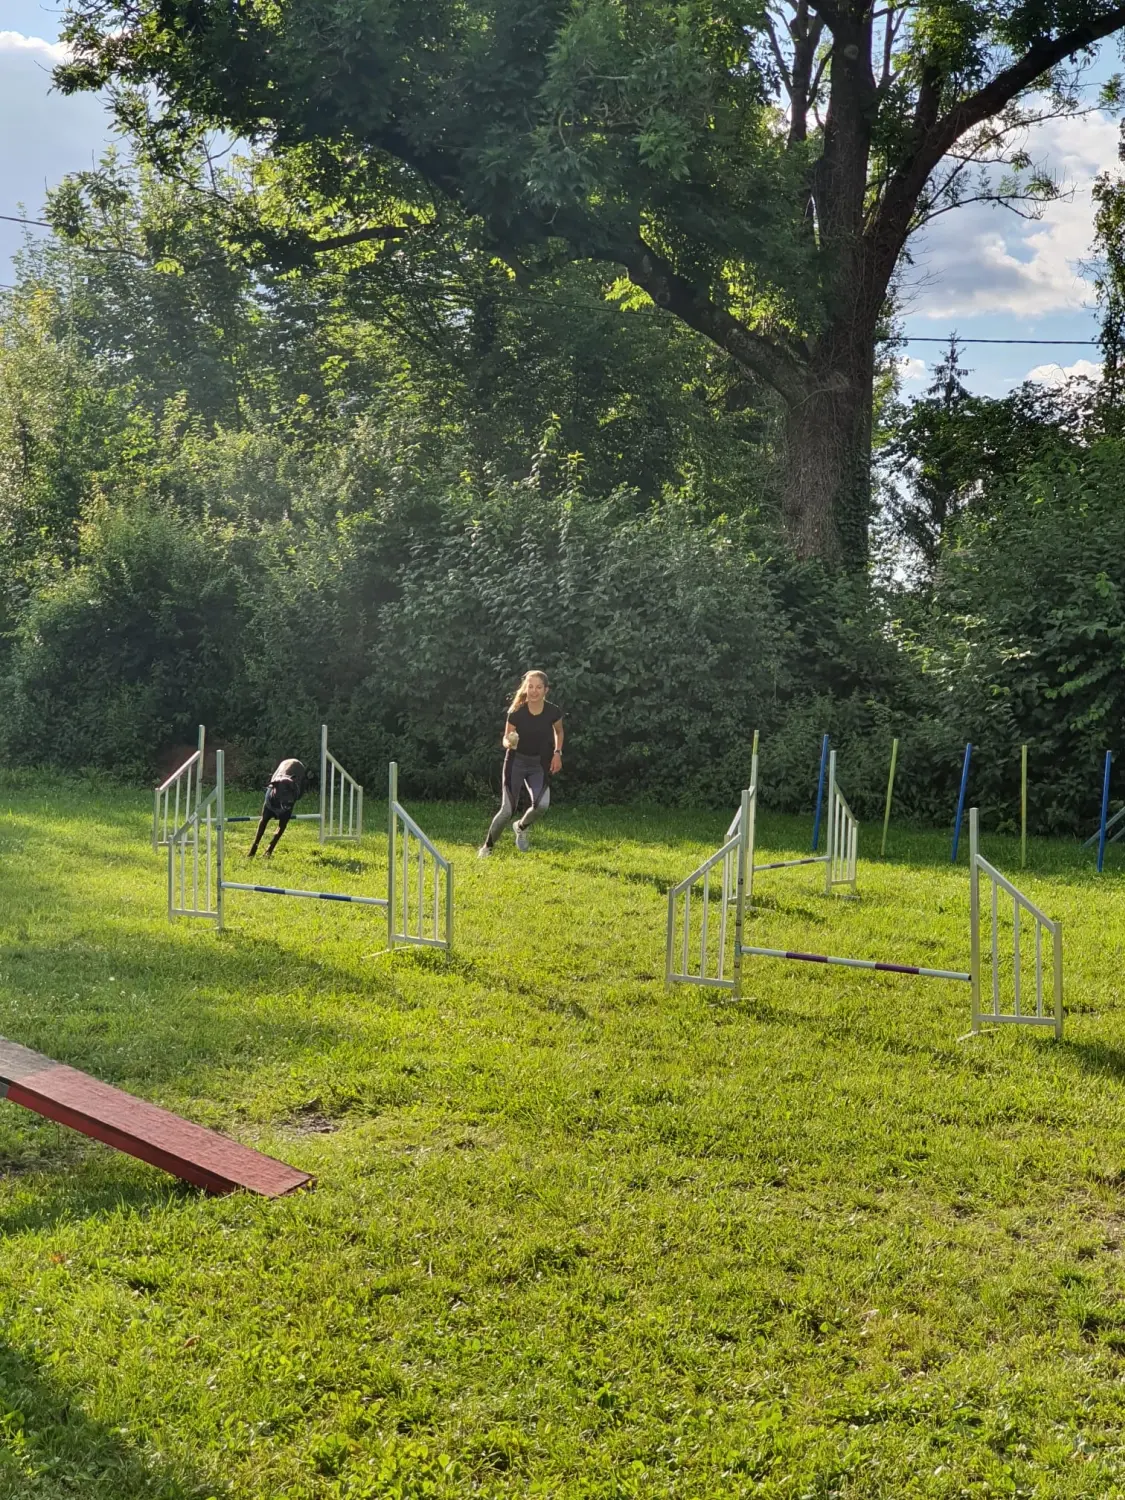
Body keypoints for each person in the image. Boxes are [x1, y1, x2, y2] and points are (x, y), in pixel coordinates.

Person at [478, 670, 563, 855]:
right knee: (507, 810)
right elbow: (505, 739)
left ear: (546, 690)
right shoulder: (516, 712)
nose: (534, 691)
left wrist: (557, 752)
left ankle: (522, 827)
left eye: (538, 687)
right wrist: (509, 742)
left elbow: (559, 732)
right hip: (515, 762)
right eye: (530, 686)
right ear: (525, 688)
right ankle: (487, 847)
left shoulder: (553, 711)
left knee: (542, 805)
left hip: (539, 764)